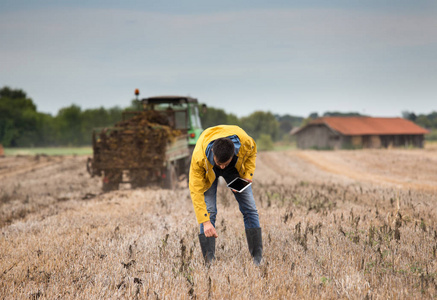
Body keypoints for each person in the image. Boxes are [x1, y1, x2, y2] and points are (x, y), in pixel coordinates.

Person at [189, 125, 263, 265]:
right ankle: (208, 261)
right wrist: (205, 222)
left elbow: (253, 151)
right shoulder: (199, 158)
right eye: (219, 163)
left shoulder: (245, 142)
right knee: (209, 211)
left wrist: (247, 176)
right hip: (208, 170)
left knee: (250, 209)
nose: (222, 167)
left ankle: (257, 258)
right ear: (213, 152)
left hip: (234, 170)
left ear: (233, 153)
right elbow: (196, 192)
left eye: (225, 163)